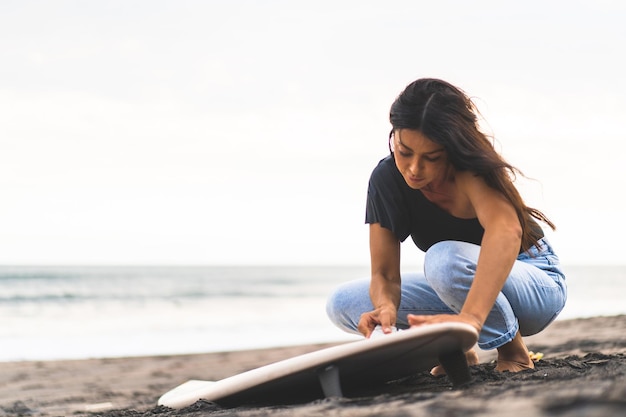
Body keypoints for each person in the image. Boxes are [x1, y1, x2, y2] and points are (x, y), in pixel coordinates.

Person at [326, 78, 567, 373]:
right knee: (344, 302)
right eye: (404, 152)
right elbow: (385, 274)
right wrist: (386, 306)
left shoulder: (471, 169)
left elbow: (506, 231)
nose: (414, 169)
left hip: (535, 284)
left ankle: (514, 352)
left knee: (443, 259)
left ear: (450, 149)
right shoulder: (386, 179)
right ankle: (453, 351)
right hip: (459, 287)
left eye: (431, 158)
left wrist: (473, 320)